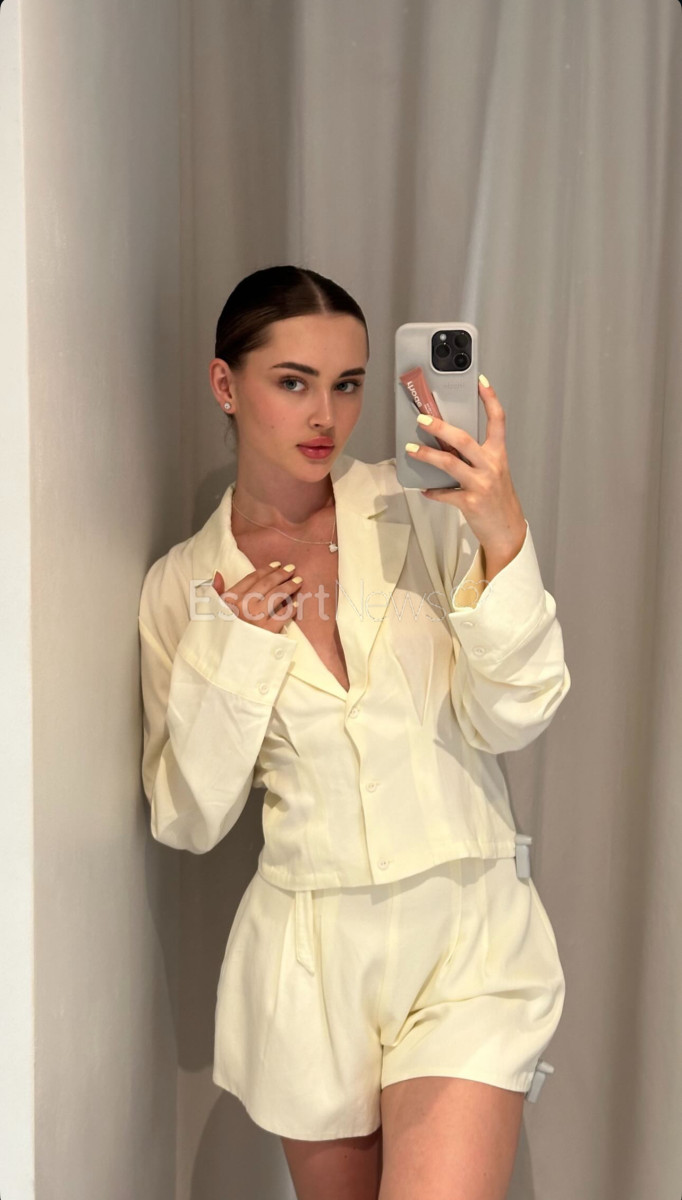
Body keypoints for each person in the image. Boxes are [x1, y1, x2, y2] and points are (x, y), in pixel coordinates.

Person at [137, 265, 570, 1200]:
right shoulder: (186, 584)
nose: (325, 414)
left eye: (348, 383)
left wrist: (501, 533)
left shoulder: (422, 509)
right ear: (225, 385)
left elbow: (515, 710)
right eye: (293, 382)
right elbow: (187, 817)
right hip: (312, 963)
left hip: (467, 940)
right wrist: (238, 651)